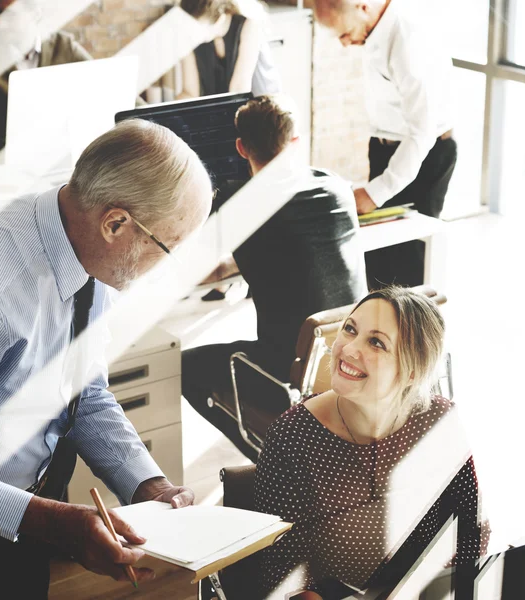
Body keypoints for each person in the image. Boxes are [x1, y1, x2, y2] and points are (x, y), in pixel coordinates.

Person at [0, 119, 213, 598]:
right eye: (169, 248)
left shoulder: (88, 247)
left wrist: (148, 486)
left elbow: (83, 391)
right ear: (116, 223)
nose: (167, 268)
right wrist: (55, 523)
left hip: (35, 509)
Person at [254, 287, 489, 599]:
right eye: (350, 329)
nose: (349, 349)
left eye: (376, 342)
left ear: (412, 373)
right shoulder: (292, 437)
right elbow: (283, 576)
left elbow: (470, 532)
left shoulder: (438, 420)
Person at [181, 95, 367, 463]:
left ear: (240, 147)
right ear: (295, 142)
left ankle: (276, 457)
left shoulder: (241, 203)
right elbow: (296, 250)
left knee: (185, 366)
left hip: (287, 367)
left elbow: (202, 271)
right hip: (356, 358)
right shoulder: (336, 187)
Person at [314, 0, 457, 289]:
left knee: (408, 264)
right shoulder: (374, 27)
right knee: (378, 259)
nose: (344, 43)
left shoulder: (406, 37)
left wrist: (376, 192)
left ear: (362, 7)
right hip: (387, 148)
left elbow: (422, 132)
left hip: (423, 156)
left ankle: (411, 334)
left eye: (344, 32)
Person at [0, 0, 92, 169]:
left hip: (56, 160)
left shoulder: (64, 47)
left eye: (10, 15)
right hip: (0, 164)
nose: (1, 22)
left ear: (36, 14)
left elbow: (104, 83)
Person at [179, 0, 281, 99]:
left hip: (262, 107)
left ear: (218, 18)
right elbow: (190, 92)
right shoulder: (191, 34)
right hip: (226, 109)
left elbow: (239, 90)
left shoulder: (249, 24)